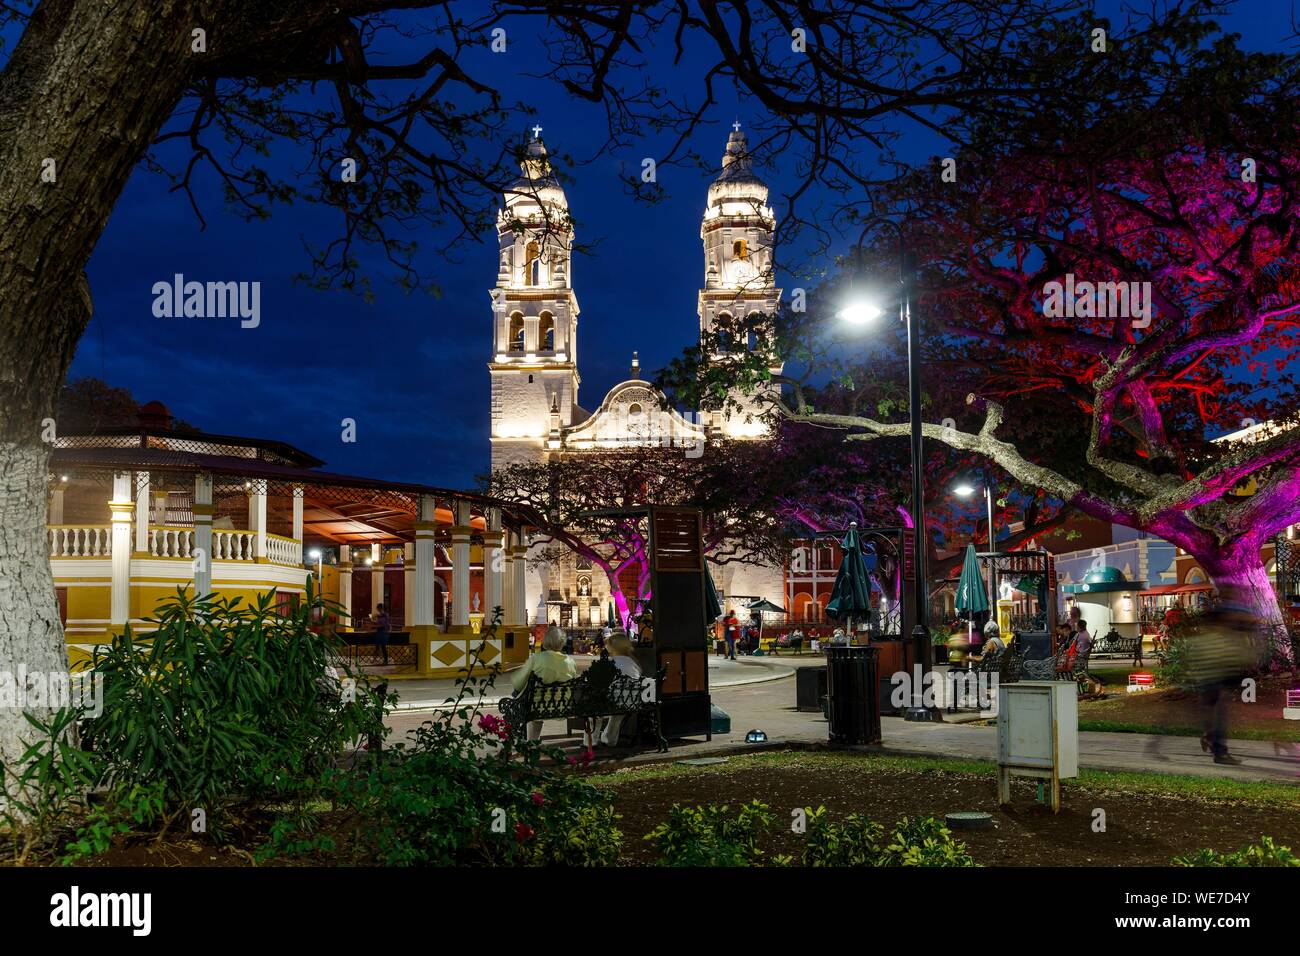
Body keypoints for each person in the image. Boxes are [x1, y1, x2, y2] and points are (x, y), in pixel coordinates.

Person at [511, 625, 577, 741]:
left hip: (537, 707)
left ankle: (531, 741)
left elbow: (518, 682)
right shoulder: (570, 662)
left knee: (518, 697)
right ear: (562, 643)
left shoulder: (537, 658)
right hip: (563, 707)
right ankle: (532, 741)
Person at [596, 632, 642, 747]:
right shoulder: (633, 662)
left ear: (612, 647)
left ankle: (590, 741)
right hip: (632, 700)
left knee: (594, 711)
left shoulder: (609, 662)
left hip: (613, 701)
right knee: (617, 715)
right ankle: (609, 739)